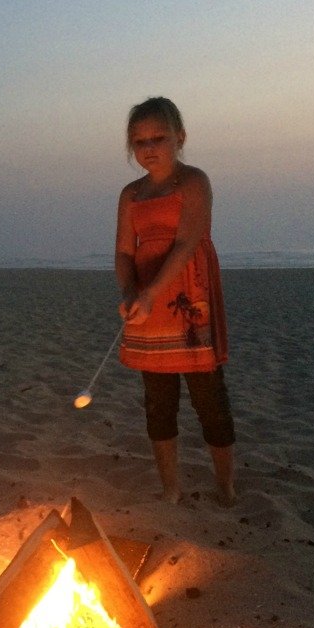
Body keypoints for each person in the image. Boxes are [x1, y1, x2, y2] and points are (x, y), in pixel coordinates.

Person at [115, 97, 236, 506]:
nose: (149, 148)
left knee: (209, 399)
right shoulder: (130, 194)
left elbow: (186, 242)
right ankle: (171, 490)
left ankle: (227, 487)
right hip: (147, 302)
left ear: (179, 138)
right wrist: (131, 292)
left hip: (187, 297)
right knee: (158, 401)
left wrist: (151, 292)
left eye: (158, 138)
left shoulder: (193, 182)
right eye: (139, 141)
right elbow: (123, 252)